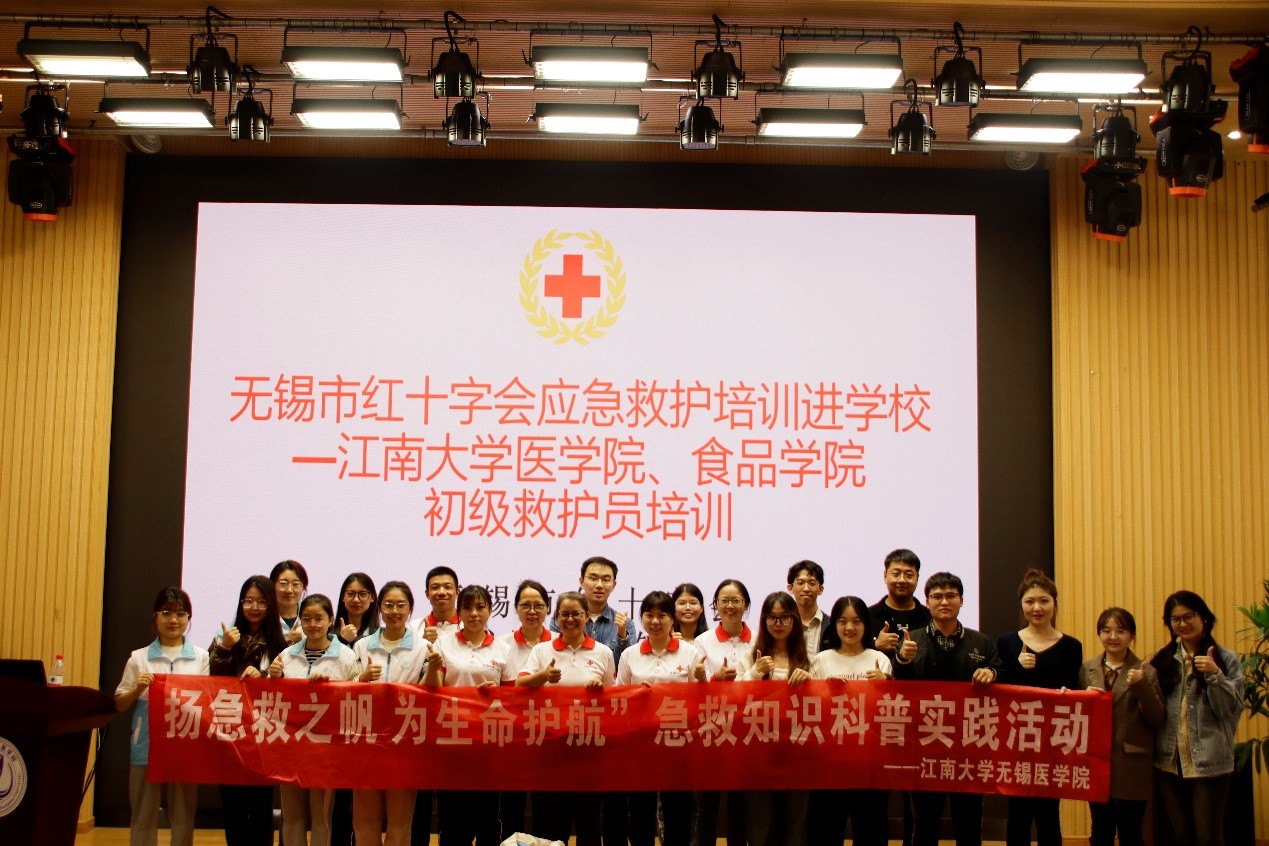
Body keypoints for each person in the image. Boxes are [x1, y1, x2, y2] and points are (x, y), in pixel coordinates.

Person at [892, 572, 1001, 846]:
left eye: (951, 596)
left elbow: (1000, 672)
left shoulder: (981, 642)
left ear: (961, 600)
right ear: (927, 602)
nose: (944, 602)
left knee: (969, 820)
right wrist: (902, 660)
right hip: (925, 745)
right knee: (925, 822)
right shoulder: (912, 641)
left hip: (969, 746)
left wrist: (992, 672)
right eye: (937, 596)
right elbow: (898, 689)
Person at [114, 586, 210, 846]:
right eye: (166, 613)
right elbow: (119, 703)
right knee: (143, 815)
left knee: (184, 816)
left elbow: (207, 701)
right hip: (147, 746)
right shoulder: (139, 658)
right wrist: (137, 689)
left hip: (185, 745)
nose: (173, 620)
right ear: (155, 617)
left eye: (180, 614)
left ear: (189, 618)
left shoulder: (201, 657)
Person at [519, 590, 616, 846]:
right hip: (551, 750)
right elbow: (520, 685)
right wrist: (543, 677)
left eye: (576, 614)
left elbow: (613, 698)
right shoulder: (542, 650)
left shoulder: (603, 652)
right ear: (556, 617)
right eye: (564, 614)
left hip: (589, 750)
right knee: (552, 824)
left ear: (586, 616)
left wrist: (600, 689)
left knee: (589, 823)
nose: (570, 619)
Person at [1148, 590, 1243, 846]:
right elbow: (1153, 710)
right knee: (1182, 836)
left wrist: (1214, 675)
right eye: (1175, 619)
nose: (1182, 624)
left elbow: (1229, 710)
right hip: (1169, 761)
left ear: (1204, 618)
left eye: (1188, 616)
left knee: (1208, 836)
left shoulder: (1225, 659)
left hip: (1209, 761)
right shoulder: (1163, 659)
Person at [995, 569, 1083, 846]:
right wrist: (1015, 666)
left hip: (1052, 740)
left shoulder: (1072, 646)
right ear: (1021, 605)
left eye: (1044, 601)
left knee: (1049, 814)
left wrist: (1071, 693)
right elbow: (999, 690)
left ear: (1054, 603)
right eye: (1030, 601)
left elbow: (1075, 686)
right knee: (1017, 814)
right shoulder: (1007, 642)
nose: (1037, 608)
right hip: (1017, 740)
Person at [426, 584, 515, 846]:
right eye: (467, 608)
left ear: (490, 610)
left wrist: (496, 692)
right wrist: (432, 668)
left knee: (487, 817)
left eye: (480, 607)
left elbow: (512, 697)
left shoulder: (502, 648)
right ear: (459, 611)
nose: (474, 613)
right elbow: (434, 689)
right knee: (451, 818)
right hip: (452, 740)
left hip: (488, 743)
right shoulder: (444, 644)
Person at [268, 594, 358, 846]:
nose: (313, 624)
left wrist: (332, 687)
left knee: (322, 817)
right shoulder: (285, 655)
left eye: (319, 618)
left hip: (326, 747)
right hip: (290, 745)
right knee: (292, 816)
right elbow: (272, 701)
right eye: (306, 618)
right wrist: (273, 678)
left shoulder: (347, 656)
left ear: (330, 620)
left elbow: (355, 697)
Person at [618, 590, 706, 846]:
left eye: (662, 616)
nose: (655, 621)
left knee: (678, 811)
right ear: (642, 618)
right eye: (649, 615)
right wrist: (636, 693)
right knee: (640, 811)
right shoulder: (629, 654)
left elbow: (701, 699)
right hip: (641, 743)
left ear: (672, 619)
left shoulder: (689, 653)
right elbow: (619, 697)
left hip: (678, 743)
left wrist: (702, 680)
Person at [210, 575, 289, 846]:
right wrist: (224, 648)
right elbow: (210, 681)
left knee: (260, 808)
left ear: (271, 605)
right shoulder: (226, 639)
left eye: (261, 602)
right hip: (229, 732)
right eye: (248, 601)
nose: (254, 607)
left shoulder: (281, 645)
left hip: (262, 737)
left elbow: (287, 691)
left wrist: (265, 676)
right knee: (232, 807)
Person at [354, 580, 433, 846]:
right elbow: (346, 689)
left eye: (401, 605)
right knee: (364, 821)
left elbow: (428, 691)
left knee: (400, 824)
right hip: (366, 740)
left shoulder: (423, 647)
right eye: (388, 605)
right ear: (379, 608)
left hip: (404, 741)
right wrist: (361, 678)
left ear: (410, 608)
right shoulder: (362, 646)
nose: (394, 611)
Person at [1080, 607, 1165, 846]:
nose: (1113, 637)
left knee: (1131, 832)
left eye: (1120, 631)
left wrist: (1141, 685)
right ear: (1099, 634)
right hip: (1097, 761)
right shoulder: (1087, 669)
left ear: (1132, 635)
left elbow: (1157, 718)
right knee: (1100, 829)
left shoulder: (1147, 671)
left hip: (1133, 762)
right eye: (1106, 631)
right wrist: (1082, 698)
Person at [867, 548, 929, 846]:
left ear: (917, 578)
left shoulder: (929, 617)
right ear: (885, 576)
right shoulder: (869, 616)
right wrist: (874, 644)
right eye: (896, 573)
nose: (902, 579)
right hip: (876, 718)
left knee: (916, 798)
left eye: (909, 574)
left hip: (919, 717)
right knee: (876, 796)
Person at [745, 591, 812, 846]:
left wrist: (811, 683)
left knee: (795, 821)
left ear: (794, 620)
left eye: (785, 617)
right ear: (764, 621)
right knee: (760, 821)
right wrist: (754, 673)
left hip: (798, 749)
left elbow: (822, 702)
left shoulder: (808, 658)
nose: (778, 623)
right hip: (760, 749)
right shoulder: (751, 655)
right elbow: (734, 697)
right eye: (772, 617)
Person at [693, 579, 756, 846]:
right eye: (724, 601)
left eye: (736, 600)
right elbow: (697, 684)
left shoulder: (758, 639)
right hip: (711, 730)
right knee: (706, 806)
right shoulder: (702, 641)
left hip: (746, 729)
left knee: (739, 806)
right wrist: (715, 678)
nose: (730, 606)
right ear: (716, 605)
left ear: (746, 605)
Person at [496, 580, 555, 842]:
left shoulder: (559, 642)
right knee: (511, 804)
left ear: (547, 608)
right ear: (516, 608)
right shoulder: (502, 644)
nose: (532, 611)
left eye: (538, 605)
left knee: (546, 805)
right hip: (512, 735)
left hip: (550, 736)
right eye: (526, 605)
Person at [410, 565, 460, 846]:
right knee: (419, 798)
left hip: (456, 723)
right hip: (420, 721)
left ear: (457, 591)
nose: (442, 592)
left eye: (447, 587)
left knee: (451, 799)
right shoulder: (413, 628)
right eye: (435, 587)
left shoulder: (471, 625)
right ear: (427, 593)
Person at [332, 571, 380, 845]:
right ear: (342, 598)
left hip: (372, 726)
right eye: (351, 594)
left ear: (372, 598)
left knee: (366, 799)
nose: (356, 599)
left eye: (363, 594)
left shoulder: (380, 635)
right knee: (340, 797)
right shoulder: (328, 633)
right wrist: (341, 640)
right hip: (339, 724)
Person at [787, 560, 829, 653]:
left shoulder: (832, 626)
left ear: (820, 589)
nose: (806, 589)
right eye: (800, 583)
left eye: (812, 583)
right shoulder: (783, 625)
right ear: (790, 588)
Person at [271, 559, 310, 644]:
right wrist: (287, 640)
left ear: (303, 587)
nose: (289, 590)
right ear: (272, 585)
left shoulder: (312, 616)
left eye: (295, 584)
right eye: (283, 583)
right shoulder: (263, 617)